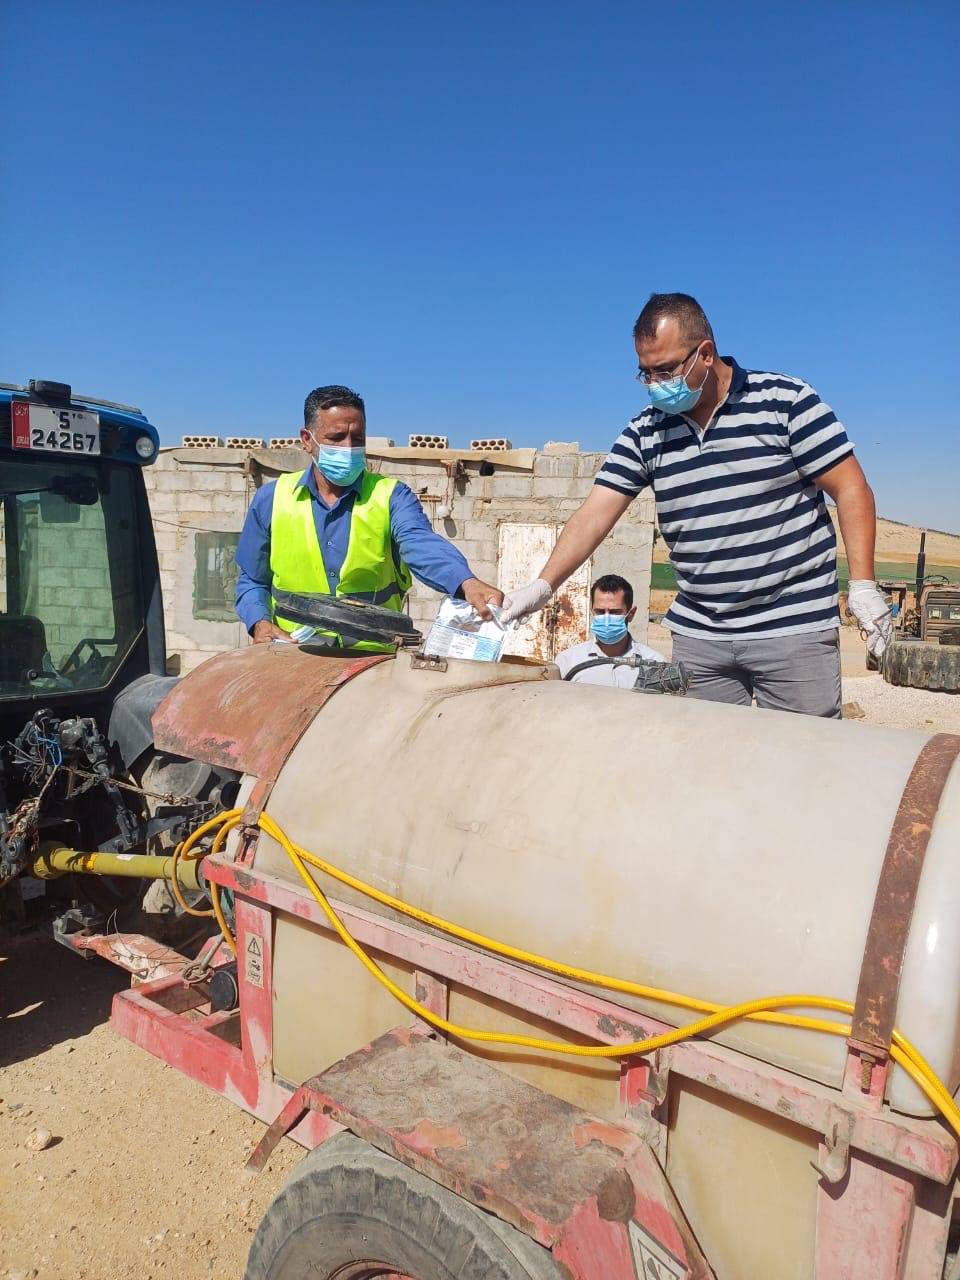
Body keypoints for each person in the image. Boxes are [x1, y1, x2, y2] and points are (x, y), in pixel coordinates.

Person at [501, 293, 892, 718]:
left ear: (705, 353)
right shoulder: (646, 431)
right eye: (646, 372)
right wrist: (541, 587)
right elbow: (594, 515)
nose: (655, 384)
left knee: (804, 753)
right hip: (701, 637)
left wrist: (863, 585)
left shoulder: (785, 401)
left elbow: (850, 487)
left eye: (666, 370)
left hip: (791, 629)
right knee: (705, 753)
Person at [235, 384, 502, 645]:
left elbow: (420, 543)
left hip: (373, 658)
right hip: (294, 653)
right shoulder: (272, 499)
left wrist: (465, 581)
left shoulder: (392, 496)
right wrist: (259, 622)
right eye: (337, 438)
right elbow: (252, 579)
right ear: (307, 440)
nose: (349, 447)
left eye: (358, 439)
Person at [555, 575, 662, 687]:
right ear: (592, 611)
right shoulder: (567, 661)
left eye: (614, 612)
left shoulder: (654, 664)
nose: (606, 619)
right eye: (600, 612)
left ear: (631, 614)